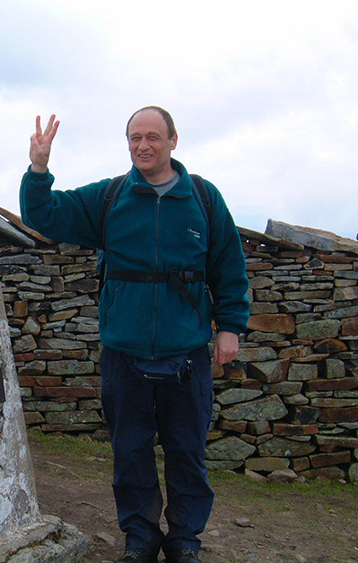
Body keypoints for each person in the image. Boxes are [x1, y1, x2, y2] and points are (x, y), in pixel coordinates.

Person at [19, 107, 249, 563]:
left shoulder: (203, 199)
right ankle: (140, 539)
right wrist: (39, 167)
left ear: (173, 141)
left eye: (153, 137)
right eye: (134, 138)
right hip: (124, 353)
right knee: (130, 453)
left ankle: (185, 541)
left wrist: (231, 328)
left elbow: (228, 265)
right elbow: (43, 213)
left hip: (186, 352)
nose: (143, 145)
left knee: (187, 454)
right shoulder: (109, 198)